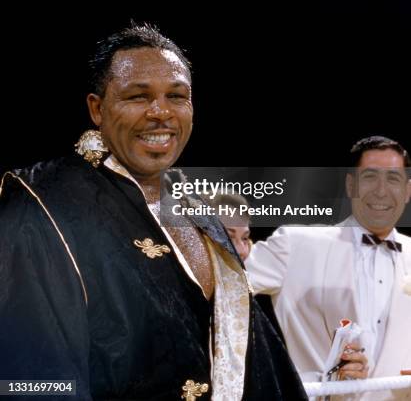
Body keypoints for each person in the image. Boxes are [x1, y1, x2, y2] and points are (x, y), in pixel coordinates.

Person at [0, 23, 307, 401]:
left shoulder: (199, 212)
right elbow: (29, 374)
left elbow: (256, 358)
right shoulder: (43, 203)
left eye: (176, 96)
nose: (160, 112)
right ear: (97, 108)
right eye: (137, 96)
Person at [246, 135, 411, 399]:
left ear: (407, 190)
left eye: (393, 178)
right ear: (350, 185)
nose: (381, 190)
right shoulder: (294, 245)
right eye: (369, 177)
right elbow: (219, 289)